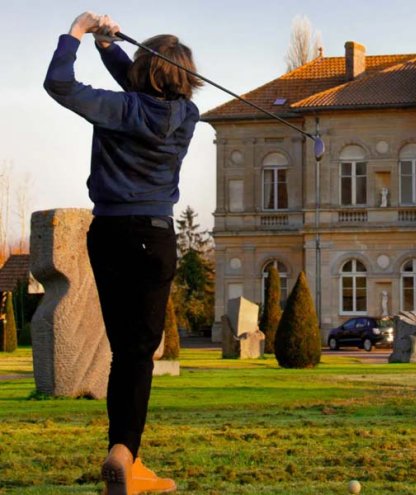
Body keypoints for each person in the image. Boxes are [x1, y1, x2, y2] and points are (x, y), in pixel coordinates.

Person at [44, 12, 201, 495]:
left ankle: (127, 454)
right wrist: (109, 47)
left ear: (141, 72)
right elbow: (143, 86)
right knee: (138, 355)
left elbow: (60, 84)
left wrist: (76, 34)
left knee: (123, 353)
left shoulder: (120, 108)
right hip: (155, 236)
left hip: (109, 233)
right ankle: (125, 454)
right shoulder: (188, 116)